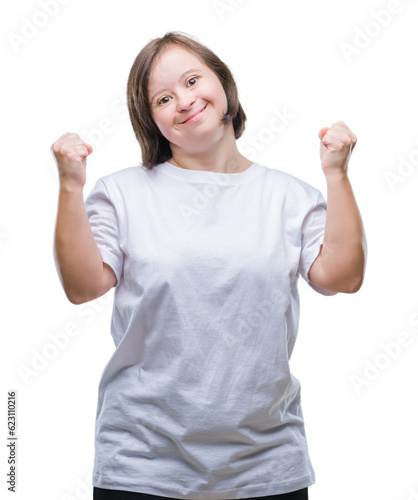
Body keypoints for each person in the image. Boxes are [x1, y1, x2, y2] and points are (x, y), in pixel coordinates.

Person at [51, 31, 366, 500]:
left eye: (193, 79)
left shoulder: (289, 196)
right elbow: (82, 286)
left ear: (223, 85)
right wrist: (71, 188)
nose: (184, 100)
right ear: (152, 121)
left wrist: (337, 174)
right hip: (142, 466)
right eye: (162, 98)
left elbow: (343, 277)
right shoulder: (122, 193)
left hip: (266, 464)